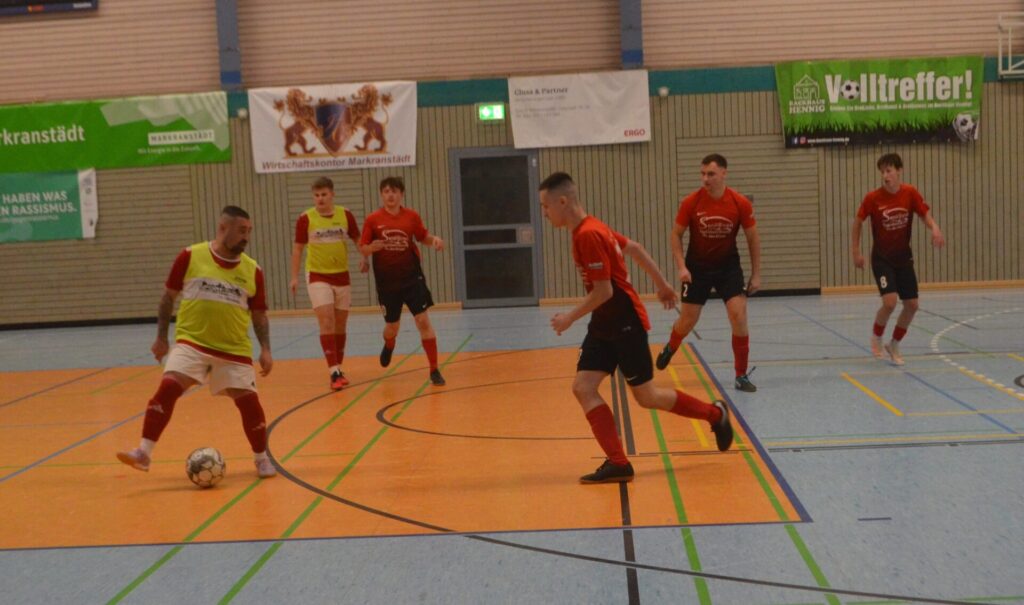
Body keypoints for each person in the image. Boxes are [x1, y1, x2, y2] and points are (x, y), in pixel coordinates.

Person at [539, 172, 733, 484]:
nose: (544, 213)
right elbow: (636, 247)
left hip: (625, 322)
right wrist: (662, 284)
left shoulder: (589, 234)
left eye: (545, 206)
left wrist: (569, 317)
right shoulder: (591, 228)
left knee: (647, 396)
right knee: (583, 387)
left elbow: (604, 291)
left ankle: (715, 414)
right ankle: (618, 463)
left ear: (562, 202)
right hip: (603, 324)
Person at [116, 206, 276, 479]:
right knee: (168, 387)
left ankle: (261, 459)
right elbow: (168, 297)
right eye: (241, 231)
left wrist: (266, 349)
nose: (246, 237)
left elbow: (259, 314)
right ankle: (143, 452)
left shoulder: (253, 270)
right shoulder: (190, 256)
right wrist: (161, 338)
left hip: (233, 349)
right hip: (193, 343)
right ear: (223, 228)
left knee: (249, 402)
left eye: (249, 231)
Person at [655, 153, 762, 393]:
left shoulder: (739, 203)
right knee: (687, 321)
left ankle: (740, 375)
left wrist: (756, 274)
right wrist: (682, 267)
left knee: (738, 315)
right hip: (697, 269)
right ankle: (671, 346)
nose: (705, 179)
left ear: (724, 173)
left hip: (728, 268)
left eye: (711, 174)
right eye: (702, 174)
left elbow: (753, 238)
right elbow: (676, 234)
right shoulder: (691, 202)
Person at [852, 152, 945, 366]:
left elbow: (924, 214)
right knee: (890, 302)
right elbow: (857, 222)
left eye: (889, 171)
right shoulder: (872, 198)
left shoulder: (910, 193)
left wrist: (935, 228)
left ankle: (894, 343)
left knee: (912, 305)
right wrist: (856, 251)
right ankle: (877, 336)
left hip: (903, 259)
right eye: (882, 172)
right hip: (882, 259)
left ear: (899, 171)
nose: (885, 176)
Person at [359, 176, 447, 386]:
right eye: (386, 191)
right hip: (387, 283)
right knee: (392, 327)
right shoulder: (373, 219)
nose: (390, 195)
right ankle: (389, 344)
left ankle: (434, 369)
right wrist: (370, 250)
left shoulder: (411, 217)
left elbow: (423, 237)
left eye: (394, 191)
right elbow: (363, 247)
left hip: (412, 279)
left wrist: (434, 240)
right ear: (381, 195)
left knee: (423, 321)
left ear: (401, 194)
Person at [289, 176, 366, 391]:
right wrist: (294, 276)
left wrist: (364, 256)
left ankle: (338, 367)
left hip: (342, 275)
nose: (320, 199)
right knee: (327, 321)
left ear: (332, 194)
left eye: (324, 194)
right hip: (318, 276)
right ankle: (333, 372)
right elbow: (298, 249)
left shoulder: (345, 215)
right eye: (316, 195)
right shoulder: (306, 218)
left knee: (340, 325)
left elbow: (358, 239)